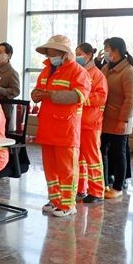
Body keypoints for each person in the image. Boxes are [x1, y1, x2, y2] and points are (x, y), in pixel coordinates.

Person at [31, 35, 91, 217]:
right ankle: (55, 200)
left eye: (54, 52)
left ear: (64, 53)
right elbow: (38, 90)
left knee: (67, 169)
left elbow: (79, 96)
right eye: (49, 52)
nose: (51, 55)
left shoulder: (78, 71)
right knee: (50, 167)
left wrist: (50, 95)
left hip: (66, 129)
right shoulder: (46, 70)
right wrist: (36, 95)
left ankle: (68, 204)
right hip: (47, 127)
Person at [100, 37, 133, 199]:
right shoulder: (106, 67)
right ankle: (103, 183)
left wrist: (123, 120)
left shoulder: (128, 71)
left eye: (107, 49)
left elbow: (130, 99)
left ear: (115, 50)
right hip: (104, 119)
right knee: (102, 151)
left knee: (119, 153)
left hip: (119, 120)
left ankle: (117, 187)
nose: (105, 52)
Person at [74, 43, 108, 203]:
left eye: (79, 53)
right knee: (79, 158)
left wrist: (81, 98)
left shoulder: (97, 75)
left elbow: (101, 96)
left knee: (93, 158)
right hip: (77, 122)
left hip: (91, 123)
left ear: (88, 55)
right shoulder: (78, 72)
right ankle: (81, 189)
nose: (77, 56)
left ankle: (97, 191)